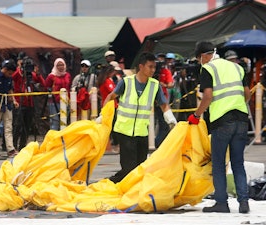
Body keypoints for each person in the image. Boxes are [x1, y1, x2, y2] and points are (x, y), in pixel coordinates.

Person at [188, 42, 251, 214]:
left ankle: (221, 203)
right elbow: (247, 94)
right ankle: (243, 202)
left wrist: (196, 115)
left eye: (199, 59)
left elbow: (207, 96)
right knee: (238, 163)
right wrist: (236, 106)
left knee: (218, 163)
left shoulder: (208, 69)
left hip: (222, 122)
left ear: (203, 55)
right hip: (241, 119)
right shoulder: (237, 68)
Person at [104, 52, 177, 183]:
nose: (153, 70)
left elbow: (164, 104)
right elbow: (110, 96)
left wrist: (170, 119)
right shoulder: (126, 82)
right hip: (124, 131)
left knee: (140, 168)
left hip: (142, 132)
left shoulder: (155, 85)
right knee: (129, 169)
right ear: (141, 66)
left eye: (154, 67)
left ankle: (116, 184)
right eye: (150, 67)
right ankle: (118, 188)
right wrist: (103, 115)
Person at [12, 56, 46, 150]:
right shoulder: (19, 74)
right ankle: (13, 145)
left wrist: (38, 74)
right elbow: (13, 76)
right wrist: (20, 68)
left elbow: (43, 84)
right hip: (20, 102)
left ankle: (22, 146)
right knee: (18, 125)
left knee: (27, 126)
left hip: (30, 103)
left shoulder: (32, 75)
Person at [154, 53, 174, 148]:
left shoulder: (165, 71)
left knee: (164, 125)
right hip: (150, 102)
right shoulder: (150, 73)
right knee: (157, 124)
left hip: (161, 101)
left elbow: (170, 84)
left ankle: (158, 144)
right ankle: (157, 144)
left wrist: (162, 84)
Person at [45, 58, 71, 130]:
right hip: (54, 102)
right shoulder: (51, 76)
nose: (61, 67)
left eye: (62, 65)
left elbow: (69, 87)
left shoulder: (67, 75)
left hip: (66, 101)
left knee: (65, 121)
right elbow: (46, 86)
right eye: (59, 65)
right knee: (55, 122)